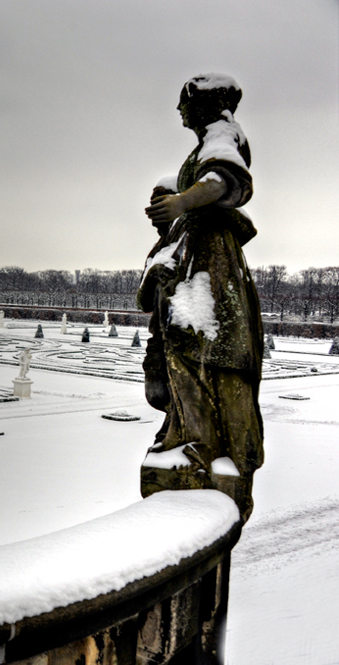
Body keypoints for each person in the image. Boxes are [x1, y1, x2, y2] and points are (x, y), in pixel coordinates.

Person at [138, 74, 263, 521]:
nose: (178, 112)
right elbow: (201, 178)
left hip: (211, 264)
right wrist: (170, 191)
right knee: (186, 347)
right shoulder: (204, 144)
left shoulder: (224, 135)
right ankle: (189, 435)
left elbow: (223, 180)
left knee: (203, 346)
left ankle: (202, 440)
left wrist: (183, 202)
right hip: (197, 261)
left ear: (203, 105)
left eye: (183, 104)